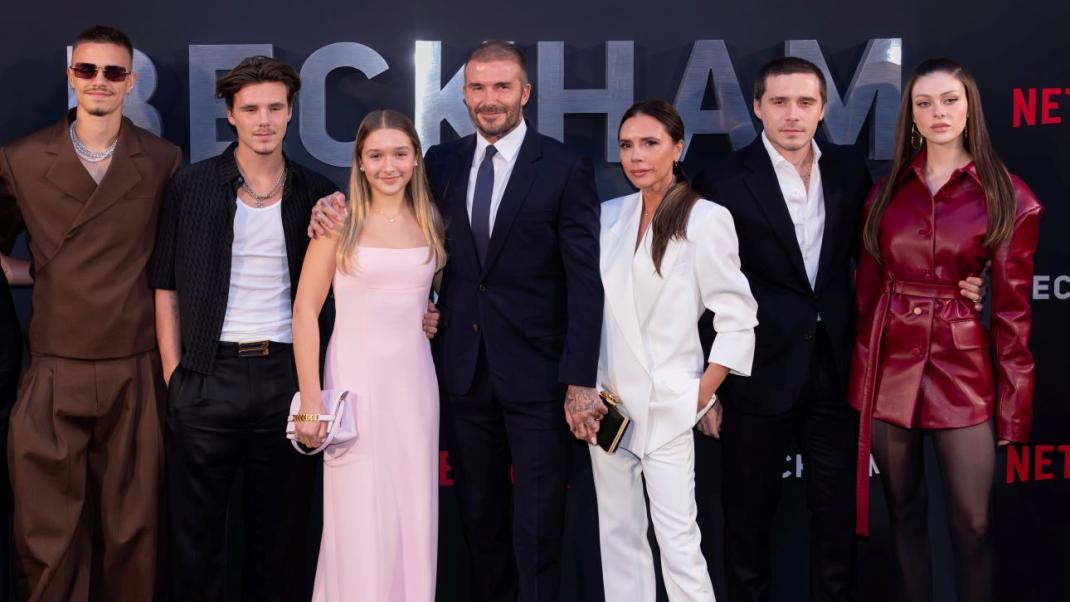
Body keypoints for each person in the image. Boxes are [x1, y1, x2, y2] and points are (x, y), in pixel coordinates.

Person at [310, 40, 604, 602]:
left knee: (538, 522)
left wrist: (580, 379)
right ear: (463, 95)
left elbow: (585, 280)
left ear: (525, 92)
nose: (489, 99)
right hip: (461, 374)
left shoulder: (565, 166)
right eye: (477, 88)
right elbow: (389, 220)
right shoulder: (440, 164)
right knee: (478, 520)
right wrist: (330, 206)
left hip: (538, 375)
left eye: (501, 87)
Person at [692, 57, 986, 602]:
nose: (792, 114)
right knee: (747, 525)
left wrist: (964, 283)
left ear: (823, 108)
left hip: (837, 374)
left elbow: (885, 257)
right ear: (757, 107)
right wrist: (707, 388)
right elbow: (699, 293)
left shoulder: (851, 171)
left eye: (805, 102)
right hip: (754, 376)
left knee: (837, 527)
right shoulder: (721, 180)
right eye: (779, 102)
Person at [849, 58, 1042, 602]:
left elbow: (1013, 316)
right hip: (889, 367)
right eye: (924, 102)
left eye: (950, 100)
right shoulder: (884, 193)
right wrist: (858, 380)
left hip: (963, 370)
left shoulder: (1009, 196)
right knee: (902, 514)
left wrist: (1014, 410)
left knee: (974, 524)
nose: (938, 112)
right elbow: (866, 295)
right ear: (910, 115)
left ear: (969, 108)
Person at [0, 25, 181, 601]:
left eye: (112, 72)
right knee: (46, 536)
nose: (99, 81)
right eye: (87, 70)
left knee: (135, 531)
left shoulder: (162, 160)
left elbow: (176, 262)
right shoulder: (22, 159)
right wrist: (42, 272)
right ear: (70, 76)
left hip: (135, 365)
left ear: (130, 81)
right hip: (55, 365)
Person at [148, 56, 337, 601]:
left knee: (280, 545)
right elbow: (165, 287)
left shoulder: (318, 193)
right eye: (251, 109)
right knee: (195, 544)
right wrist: (175, 377)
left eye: (275, 107)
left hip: (286, 379)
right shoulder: (190, 187)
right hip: (207, 376)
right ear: (231, 115)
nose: (264, 120)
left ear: (291, 112)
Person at [591, 100, 757, 601]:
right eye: (626, 145)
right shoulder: (609, 215)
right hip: (609, 405)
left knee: (679, 543)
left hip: (668, 404)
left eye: (650, 143)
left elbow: (737, 316)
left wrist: (700, 394)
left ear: (678, 148)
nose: (636, 156)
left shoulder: (706, 218)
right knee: (619, 540)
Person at [292, 109, 446, 602]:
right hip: (353, 388)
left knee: (412, 514)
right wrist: (311, 404)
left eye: (400, 153)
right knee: (358, 519)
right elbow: (305, 311)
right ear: (359, 161)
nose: (389, 166)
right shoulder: (339, 222)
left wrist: (431, 311)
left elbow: (424, 295)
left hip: (415, 388)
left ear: (416, 158)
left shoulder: (430, 220)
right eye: (376, 155)